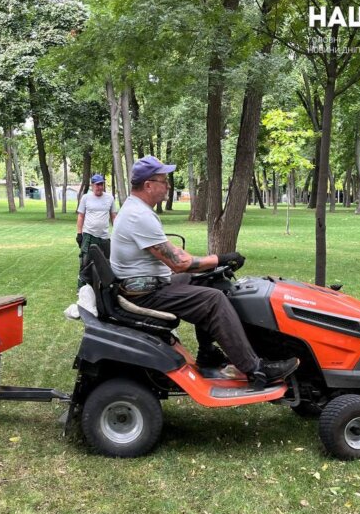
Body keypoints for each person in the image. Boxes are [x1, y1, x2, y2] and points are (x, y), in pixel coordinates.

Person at [110, 155, 298, 387]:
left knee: (211, 281)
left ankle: (207, 352)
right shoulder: (139, 216)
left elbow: (171, 251)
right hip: (145, 294)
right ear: (148, 185)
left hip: (148, 284)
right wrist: (221, 258)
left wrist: (213, 266)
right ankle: (256, 369)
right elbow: (178, 263)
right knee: (213, 300)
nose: (168, 186)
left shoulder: (136, 209)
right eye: (163, 181)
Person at [77, 174, 116, 288]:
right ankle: (82, 286)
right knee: (85, 260)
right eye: (97, 185)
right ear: (92, 185)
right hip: (89, 235)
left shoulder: (109, 198)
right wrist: (79, 234)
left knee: (108, 261)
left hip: (104, 236)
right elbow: (81, 216)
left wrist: (117, 231)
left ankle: (106, 285)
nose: (99, 187)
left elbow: (113, 216)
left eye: (101, 184)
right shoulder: (86, 198)